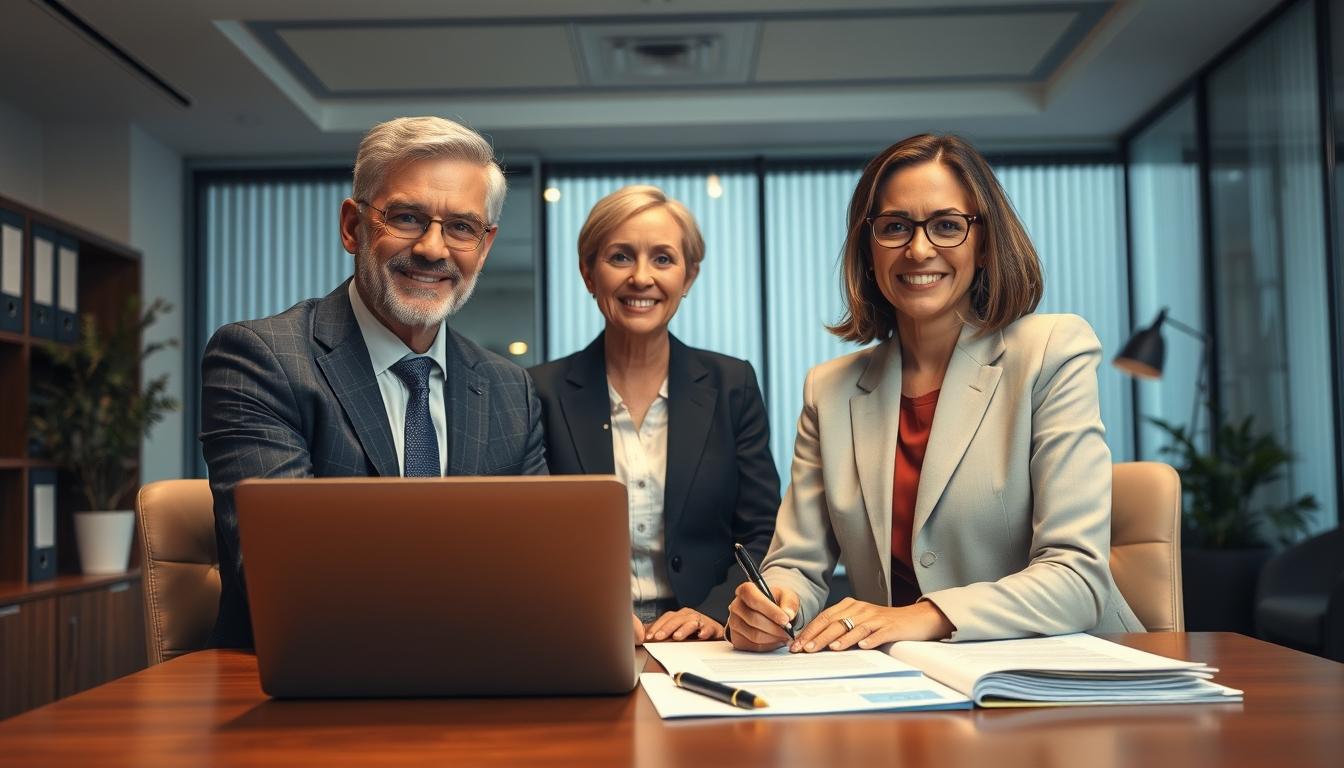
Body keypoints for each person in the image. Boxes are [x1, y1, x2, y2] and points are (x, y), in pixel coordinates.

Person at [727, 134, 1143, 653]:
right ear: (868, 247)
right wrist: (773, 604)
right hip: (904, 688)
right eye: (895, 227)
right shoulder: (828, 390)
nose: (918, 249)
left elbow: (1076, 579)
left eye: (947, 225)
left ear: (985, 243)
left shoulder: (1052, 351)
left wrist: (925, 615)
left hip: (1061, 678)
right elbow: (797, 563)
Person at [201, 116, 547, 649]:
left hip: (482, 684)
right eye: (407, 217)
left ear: (485, 245)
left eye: (461, 227)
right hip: (305, 692)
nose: (434, 249)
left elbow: (539, 570)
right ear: (352, 226)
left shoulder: (511, 391)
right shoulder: (262, 360)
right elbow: (286, 576)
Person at [531, 185, 780, 646]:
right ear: (588, 273)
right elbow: (531, 542)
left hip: (709, 640)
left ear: (689, 277)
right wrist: (590, 612)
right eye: (620, 257)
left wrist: (713, 613)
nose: (641, 277)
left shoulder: (732, 384)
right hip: (582, 635)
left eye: (663, 259)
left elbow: (762, 529)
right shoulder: (538, 392)